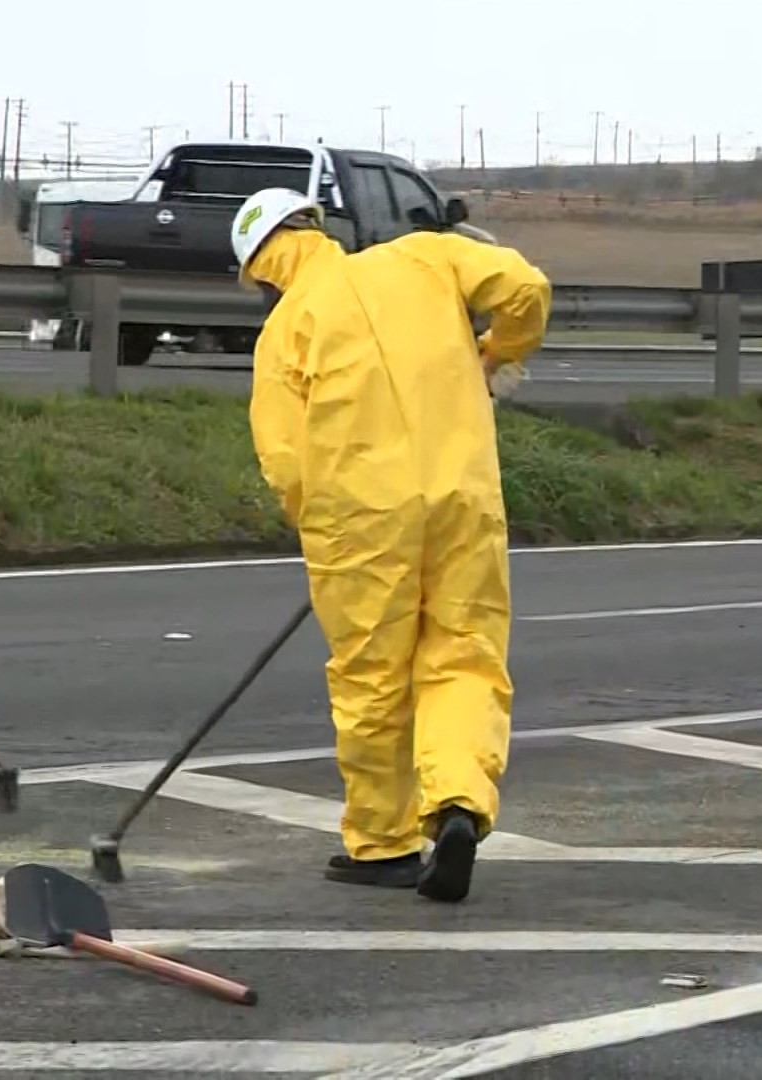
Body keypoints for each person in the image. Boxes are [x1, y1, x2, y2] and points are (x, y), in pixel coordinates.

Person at [228, 187, 551, 902]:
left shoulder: (284, 332)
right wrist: (498, 353)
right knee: (464, 654)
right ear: (316, 226)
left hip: (361, 521)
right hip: (464, 497)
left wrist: (319, 529)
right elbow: (525, 284)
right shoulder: (427, 257)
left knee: (372, 676)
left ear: (262, 267)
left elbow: (284, 462)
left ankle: (382, 843)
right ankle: (460, 803)